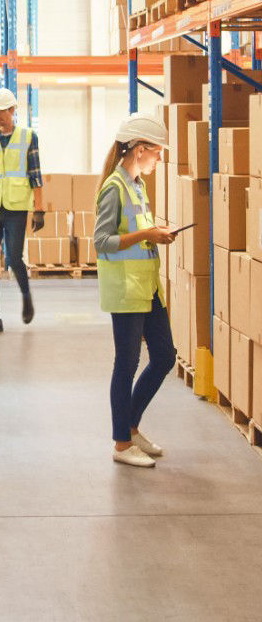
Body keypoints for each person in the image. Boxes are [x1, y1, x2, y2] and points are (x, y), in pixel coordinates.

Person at [94, 114, 177, 468]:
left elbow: (137, 230)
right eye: (157, 152)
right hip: (126, 289)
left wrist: (156, 231)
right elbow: (102, 242)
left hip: (147, 287)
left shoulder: (137, 184)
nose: (160, 158)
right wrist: (147, 235)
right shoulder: (114, 187)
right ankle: (121, 443)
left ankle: (131, 425)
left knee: (164, 356)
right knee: (125, 365)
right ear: (141, 149)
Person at [0, 87, 45, 335]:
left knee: (14, 258)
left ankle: (26, 295)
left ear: (13, 111)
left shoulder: (28, 136)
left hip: (15, 207)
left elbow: (36, 174)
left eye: (3, 111)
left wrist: (40, 209)